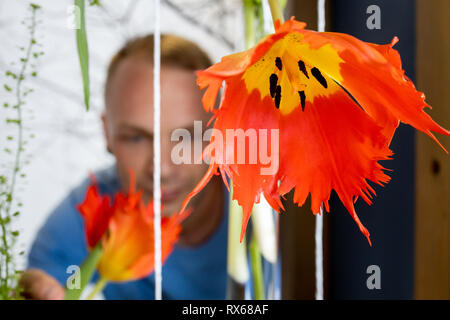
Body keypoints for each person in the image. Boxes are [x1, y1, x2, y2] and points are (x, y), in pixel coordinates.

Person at [20, 34, 228, 300]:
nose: (162, 168)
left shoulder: (267, 209)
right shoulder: (83, 220)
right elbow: (46, 286)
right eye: (136, 138)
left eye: (186, 137)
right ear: (107, 133)